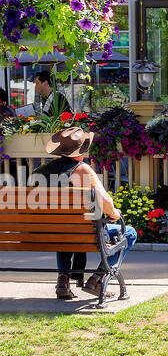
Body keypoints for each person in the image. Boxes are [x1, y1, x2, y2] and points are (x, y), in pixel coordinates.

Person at [32, 126, 136, 300]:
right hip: (84, 231)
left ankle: (63, 280)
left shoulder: (40, 172)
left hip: (49, 232)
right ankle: (97, 279)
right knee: (130, 233)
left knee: (63, 228)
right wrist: (114, 213)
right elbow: (105, 201)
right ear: (82, 150)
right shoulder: (82, 170)